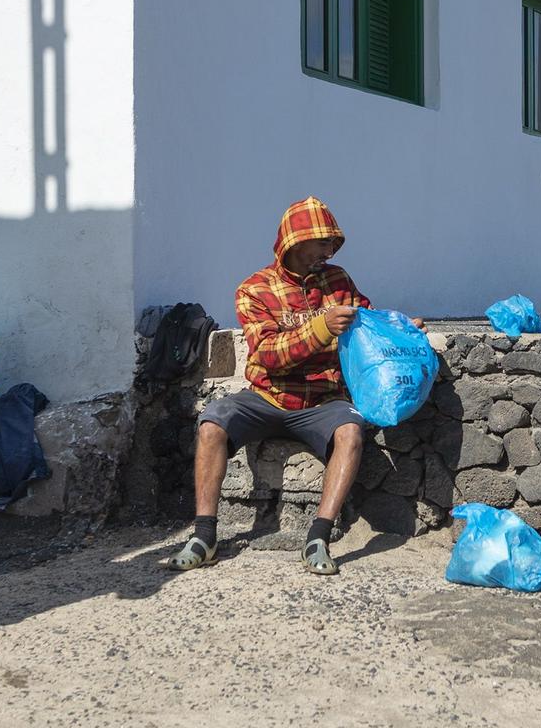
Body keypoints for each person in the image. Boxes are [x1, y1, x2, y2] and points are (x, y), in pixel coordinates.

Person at [168, 197, 418, 576]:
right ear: (294, 242)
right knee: (212, 421)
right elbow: (268, 354)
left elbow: (366, 319)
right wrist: (320, 328)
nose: (330, 251)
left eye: (333, 244)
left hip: (322, 400)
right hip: (266, 397)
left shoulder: (338, 281)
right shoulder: (254, 290)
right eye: (323, 243)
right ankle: (205, 536)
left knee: (351, 433)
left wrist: (399, 327)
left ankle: (318, 537)